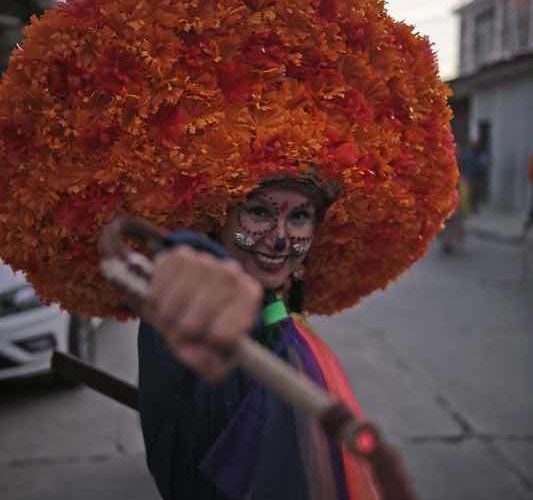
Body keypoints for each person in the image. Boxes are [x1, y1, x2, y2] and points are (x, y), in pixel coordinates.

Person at [0, 1, 459, 499]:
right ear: (217, 219)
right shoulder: (195, 294)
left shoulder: (277, 308)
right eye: (259, 213)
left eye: (299, 217)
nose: (281, 237)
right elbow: (190, 264)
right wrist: (192, 270)